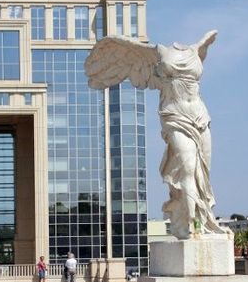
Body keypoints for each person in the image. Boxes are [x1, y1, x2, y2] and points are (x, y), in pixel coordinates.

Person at [84, 31, 232, 239]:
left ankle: (204, 221)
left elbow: (203, 49)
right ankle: (190, 225)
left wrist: (205, 41)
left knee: (203, 174)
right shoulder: (158, 53)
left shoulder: (198, 49)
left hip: (200, 115)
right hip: (174, 114)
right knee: (187, 169)